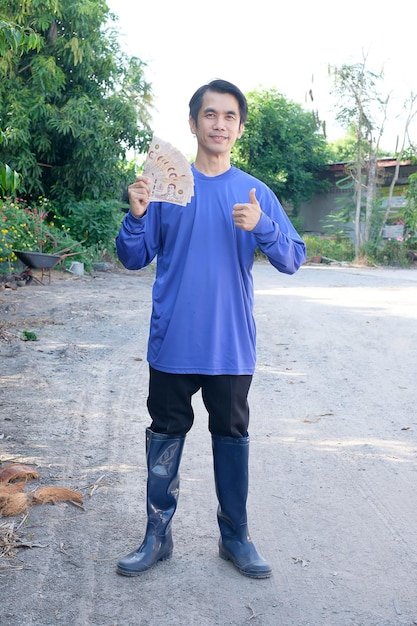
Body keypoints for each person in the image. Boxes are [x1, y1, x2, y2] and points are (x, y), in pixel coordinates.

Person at [115, 79, 306, 579]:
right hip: (173, 342)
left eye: (229, 117)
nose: (219, 124)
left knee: (231, 436)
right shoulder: (165, 187)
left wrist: (262, 226)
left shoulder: (254, 192)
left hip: (230, 346)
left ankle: (235, 537)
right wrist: (136, 215)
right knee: (165, 435)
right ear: (194, 122)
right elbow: (134, 257)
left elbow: (293, 258)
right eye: (209, 115)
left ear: (239, 127)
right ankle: (157, 535)